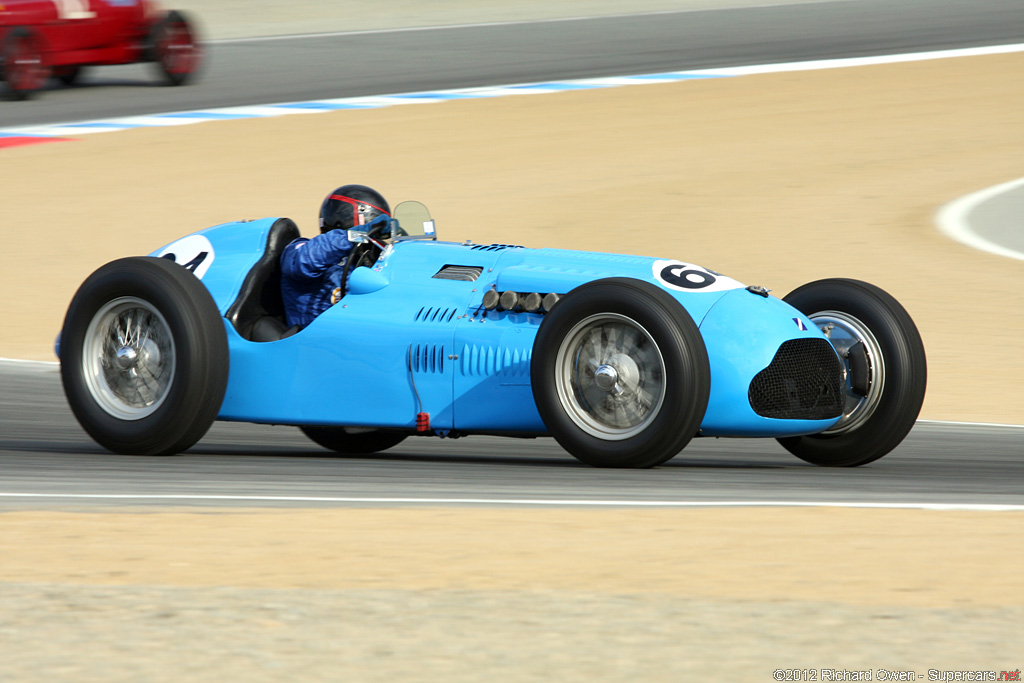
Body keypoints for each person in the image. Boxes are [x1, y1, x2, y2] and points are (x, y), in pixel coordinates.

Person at [280, 184, 391, 328]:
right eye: (373, 224)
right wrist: (351, 236)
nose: (376, 235)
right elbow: (301, 263)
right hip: (314, 340)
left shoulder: (367, 258)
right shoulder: (300, 249)